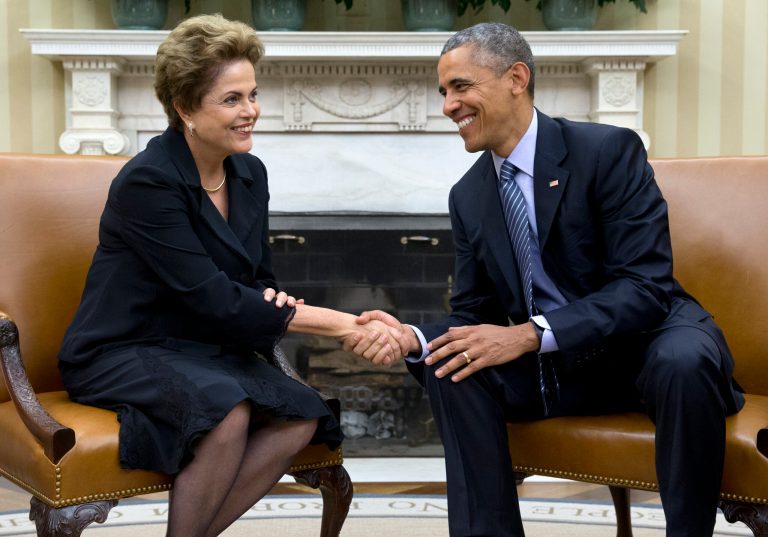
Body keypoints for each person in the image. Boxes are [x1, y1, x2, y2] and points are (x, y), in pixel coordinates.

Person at [353, 22, 745, 537]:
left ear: (517, 77)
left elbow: (644, 287)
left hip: (646, 343)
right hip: (559, 366)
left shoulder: (606, 152)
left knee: (684, 359)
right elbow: (475, 313)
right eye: (443, 92)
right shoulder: (468, 196)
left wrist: (530, 334)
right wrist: (416, 338)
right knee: (450, 367)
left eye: (461, 87)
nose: (448, 105)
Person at [57, 14, 404, 537]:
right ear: (184, 108)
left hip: (205, 347)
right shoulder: (149, 181)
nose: (251, 112)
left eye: (253, 94)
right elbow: (216, 298)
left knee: (302, 413)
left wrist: (276, 307)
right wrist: (345, 325)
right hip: (123, 348)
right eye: (232, 99)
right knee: (228, 413)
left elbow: (255, 281)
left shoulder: (248, 173)